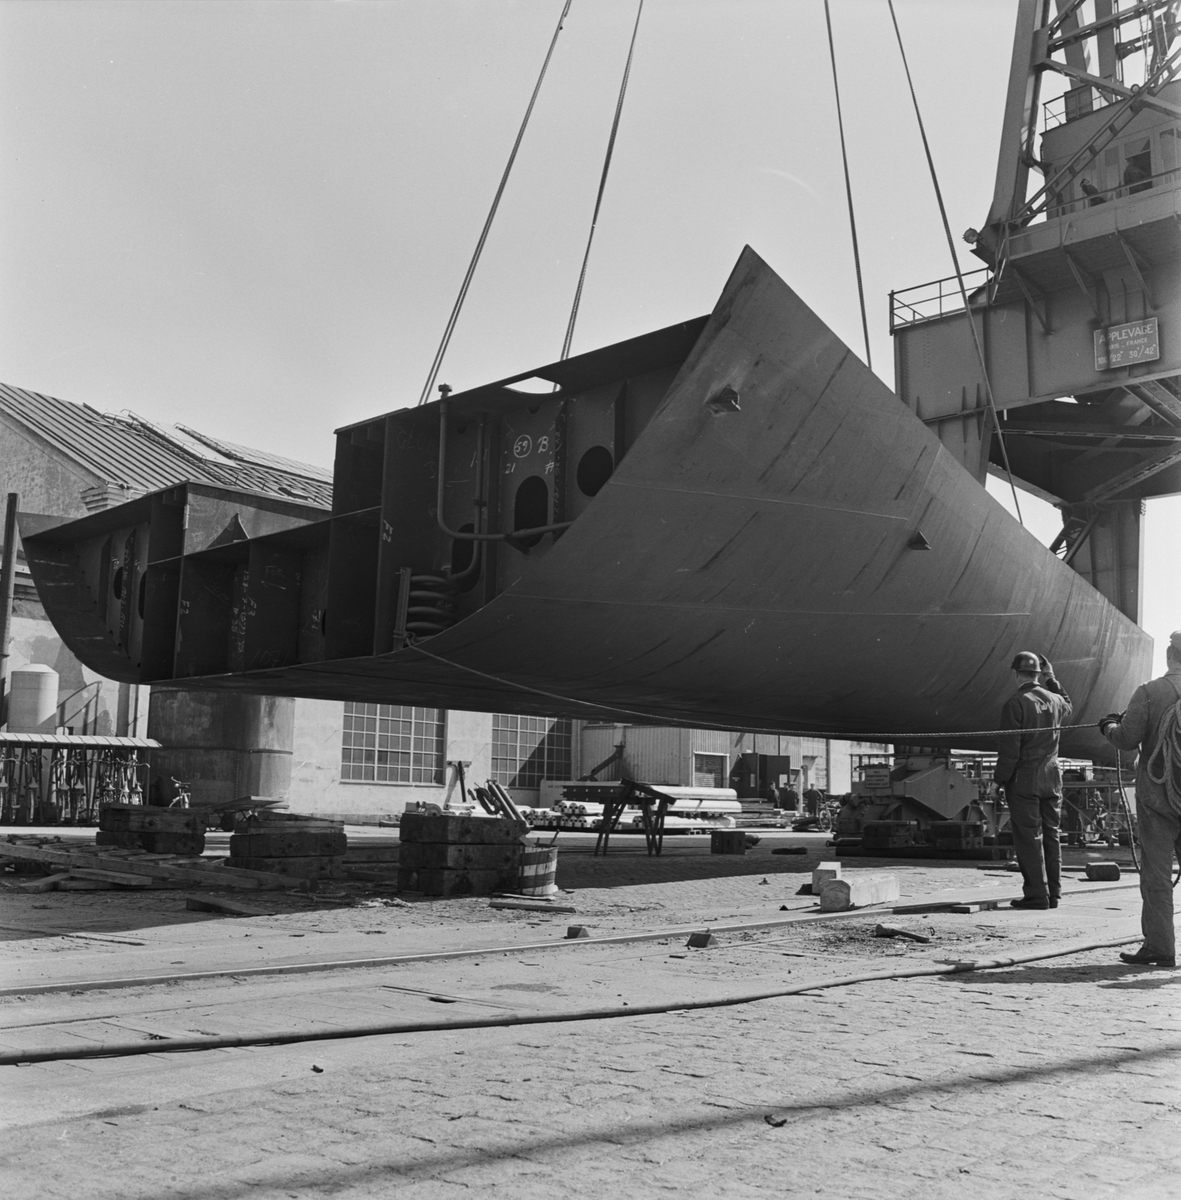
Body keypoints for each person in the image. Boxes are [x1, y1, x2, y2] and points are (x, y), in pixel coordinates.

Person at [1099, 630, 1181, 968]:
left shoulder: (1150, 692)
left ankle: (1160, 948)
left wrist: (1108, 725)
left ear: (1169, 657)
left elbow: (1126, 738)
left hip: (1158, 799)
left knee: (1157, 875)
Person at [995, 651, 1072, 910]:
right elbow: (1068, 704)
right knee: (1052, 835)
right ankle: (1054, 894)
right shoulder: (1055, 700)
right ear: (1038, 673)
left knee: (1029, 837)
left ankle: (1037, 895)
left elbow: (1010, 750)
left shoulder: (1016, 703)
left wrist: (998, 781)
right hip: (1053, 777)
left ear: (1017, 674)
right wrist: (1052, 678)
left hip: (1025, 779)